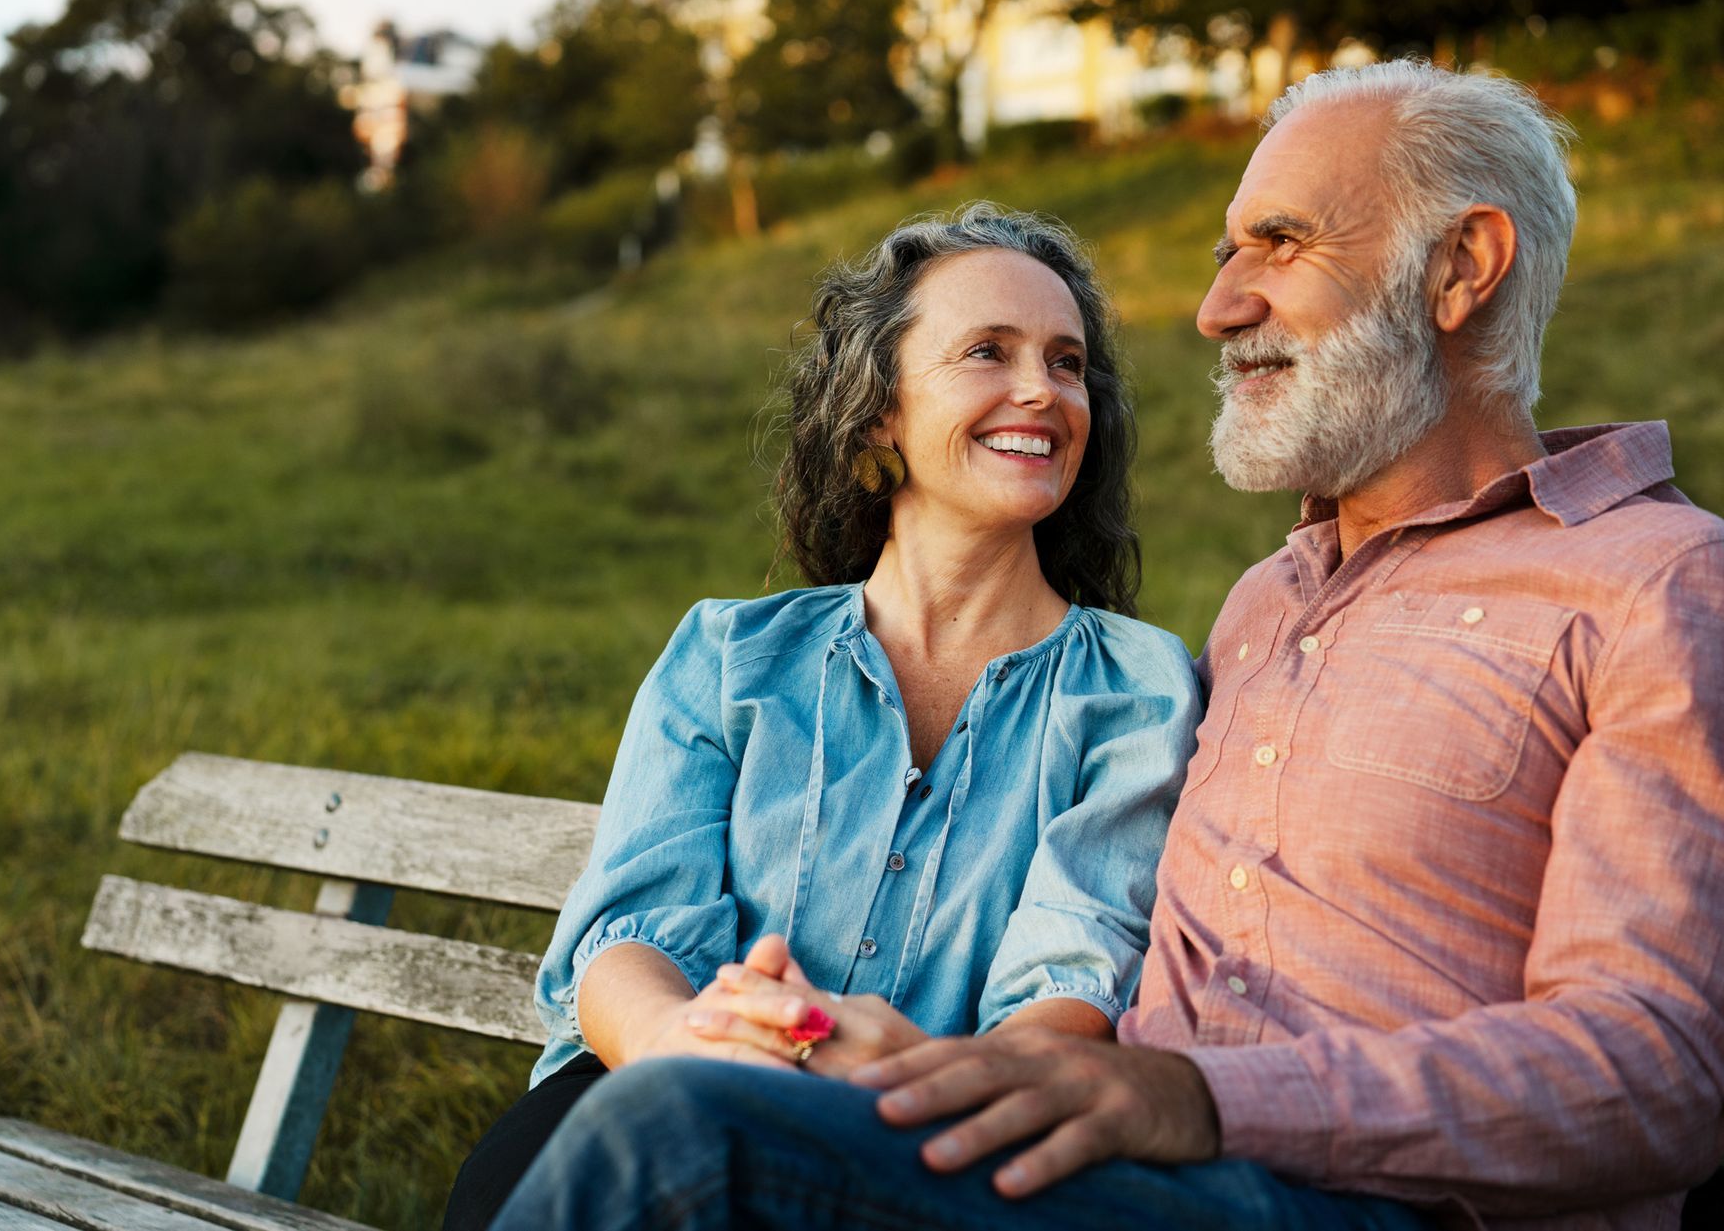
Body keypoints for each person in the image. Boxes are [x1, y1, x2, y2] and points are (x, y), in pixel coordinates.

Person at [487, 60, 1724, 1231]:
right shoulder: (1268, 607)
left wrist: (1184, 1098)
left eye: (1279, 245)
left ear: (1462, 269)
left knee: (685, 1143)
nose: (1216, 306)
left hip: (1340, 1195)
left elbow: (1660, 1069)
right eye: (1225, 254)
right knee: (639, 1130)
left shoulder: (1654, 584)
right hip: (1107, 1169)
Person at [440, 204, 1203, 1230]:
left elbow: (1072, 983)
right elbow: (625, 935)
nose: (1043, 391)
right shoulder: (729, 658)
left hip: (925, 1137)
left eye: (1068, 364)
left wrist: (890, 1065)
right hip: (650, 1095)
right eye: (989, 351)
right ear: (879, 409)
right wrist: (683, 1050)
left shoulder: (1135, 687)